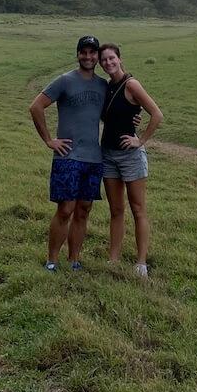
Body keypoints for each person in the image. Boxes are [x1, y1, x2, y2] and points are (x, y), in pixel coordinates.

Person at [29, 35, 108, 272]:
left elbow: (104, 115)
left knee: (83, 210)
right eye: (83, 52)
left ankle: (74, 260)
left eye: (92, 53)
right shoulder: (64, 81)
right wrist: (49, 140)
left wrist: (131, 120)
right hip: (68, 157)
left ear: (97, 56)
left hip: (93, 157)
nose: (88, 57)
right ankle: (52, 260)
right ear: (78, 54)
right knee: (65, 209)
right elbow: (36, 106)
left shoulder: (103, 85)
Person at [98, 42, 163, 278]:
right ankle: (113, 259)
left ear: (119, 58)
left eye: (111, 58)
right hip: (108, 154)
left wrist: (140, 140)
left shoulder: (131, 84)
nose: (108, 63)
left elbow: (156, 114)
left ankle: (141, 263)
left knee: (138, 209)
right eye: (103, 60)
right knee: (116, 209)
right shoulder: (107, 87)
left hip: (130, 156)